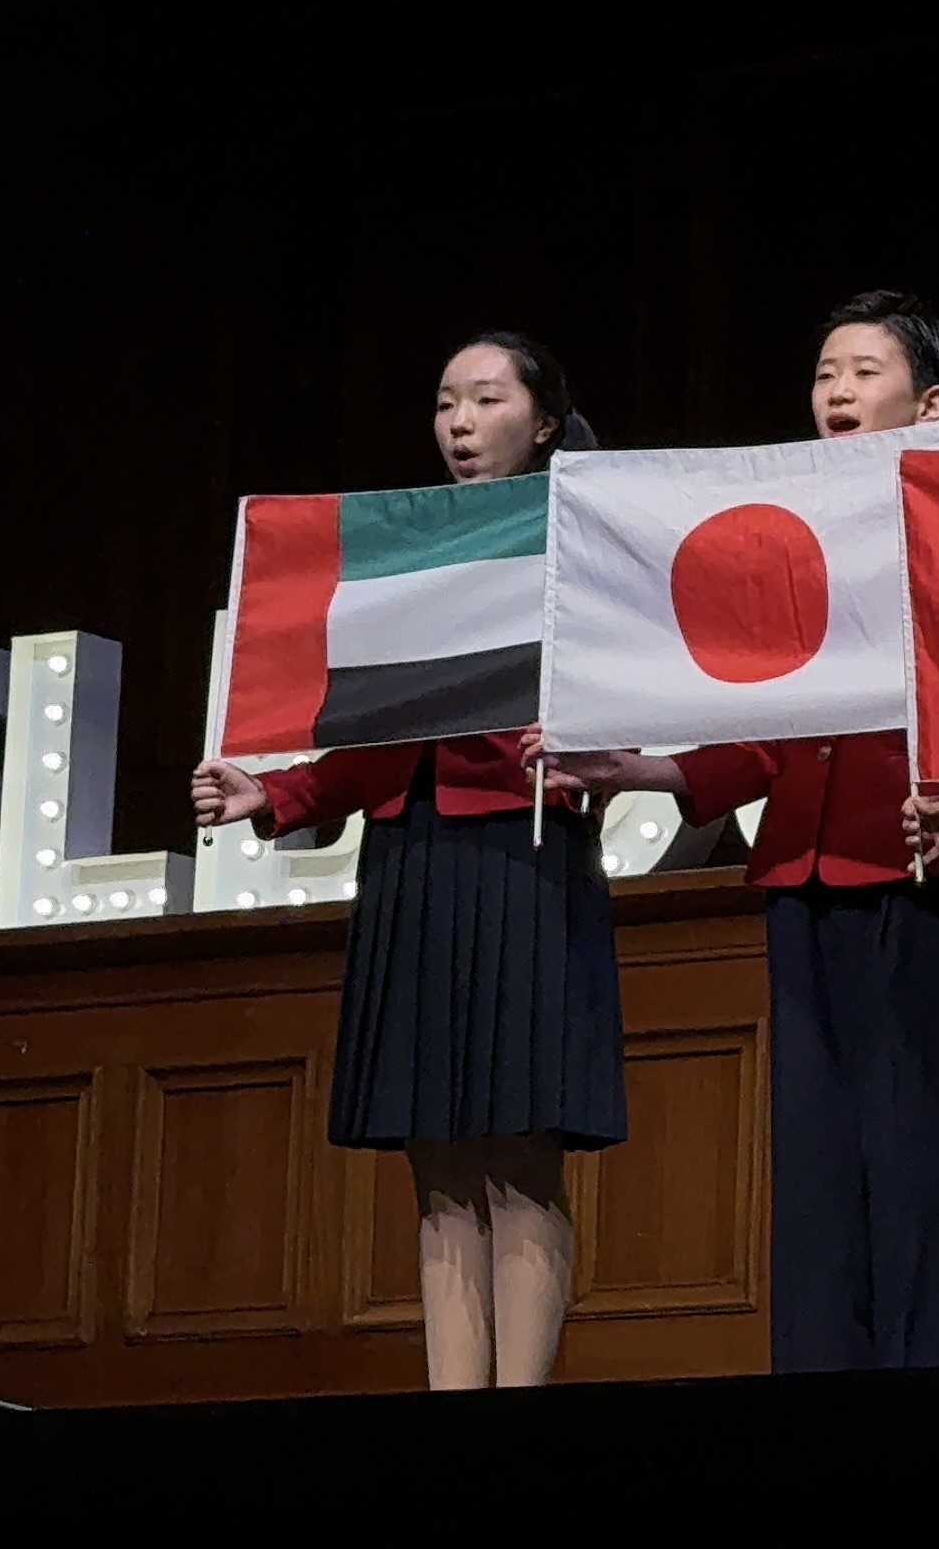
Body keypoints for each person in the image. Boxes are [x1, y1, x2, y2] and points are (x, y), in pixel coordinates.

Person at [539, 290, 939, 1374]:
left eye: (865, 372)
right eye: (825, 373)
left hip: (915, 868)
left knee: (909, 1154)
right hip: (799, 871)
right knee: (814, 1161)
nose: (836, 392)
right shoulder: (791, 533)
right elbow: (761, 722)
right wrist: (639, 766)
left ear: (931, 404)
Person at [192, 332, 627, 1392]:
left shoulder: (585, 543)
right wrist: (278, 794)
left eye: (486, 400)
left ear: (545, 423)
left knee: (518, 1156)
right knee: (437, 1161)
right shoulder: (415, 546)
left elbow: (634, 688)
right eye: (445, 403)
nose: (460, 424)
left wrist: (599, 755)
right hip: (413, 855)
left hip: (525, 855)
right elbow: (387, 730)